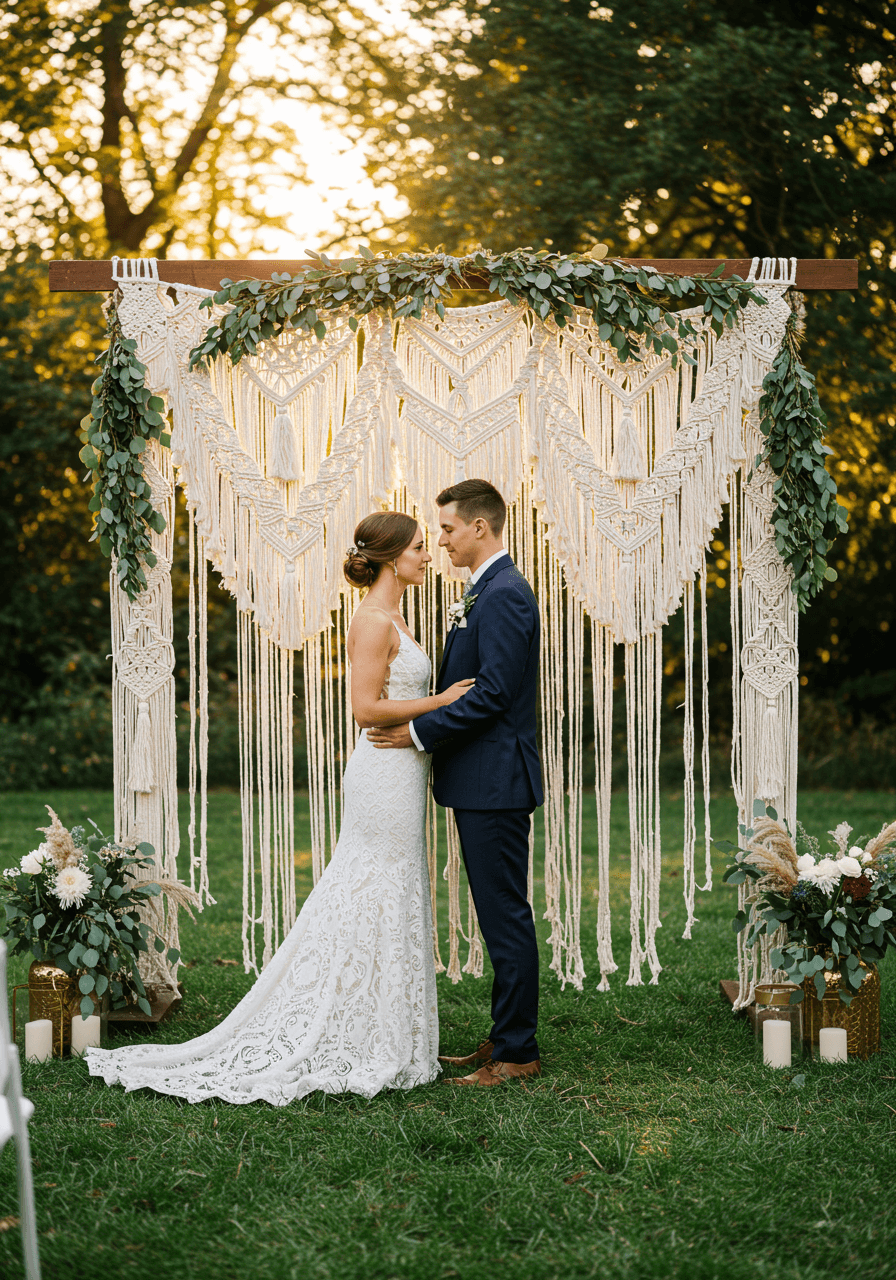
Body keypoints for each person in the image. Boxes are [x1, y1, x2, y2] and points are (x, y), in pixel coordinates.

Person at [86, 512, 474, 1105]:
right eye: (421, 548)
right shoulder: (371, 620)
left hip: (402, 772)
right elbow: (365, 710)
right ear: (393, 557)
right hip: (381, 773)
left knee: (394, 889)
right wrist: (441, 700)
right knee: (371, 886)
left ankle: (386, 1030)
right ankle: (345, 1027)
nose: (429, 556)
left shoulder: (396, 615)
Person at [368, 479, 543, 1086]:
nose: (439, 540)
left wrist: (418, 735)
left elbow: (492, 694)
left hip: (495, 780)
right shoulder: (485, 591)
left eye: (445, 529)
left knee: (504, 915)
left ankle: (518, 1051)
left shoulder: (504, 595)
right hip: (479, 780)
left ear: (480, 528)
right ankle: (503, 1039)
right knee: (499, 911)